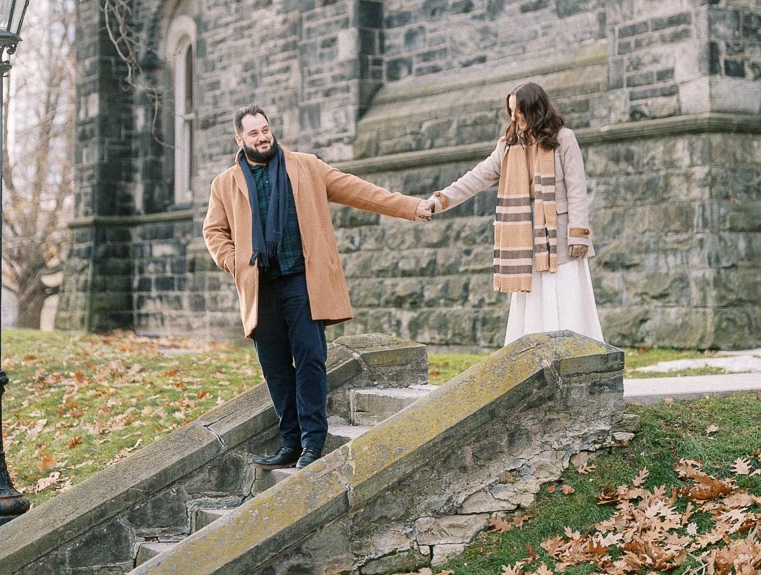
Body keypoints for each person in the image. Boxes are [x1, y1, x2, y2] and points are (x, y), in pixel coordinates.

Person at [203, 105, 433, 469]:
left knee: (311, 358)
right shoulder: (224, 184)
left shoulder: (306, 166)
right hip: (260, 288)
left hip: (302, 282)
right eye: (253, 133)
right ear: (239, 139)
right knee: (276, 369)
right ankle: (290, 443)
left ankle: (313, 443)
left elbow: (358, 191)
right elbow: (214, 231)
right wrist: (235, 262)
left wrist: (410, 206)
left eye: (265, 129)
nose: (262, 137)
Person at [425, 82, 603, 344]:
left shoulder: (564, 139)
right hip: (524, 235)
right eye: (511, 111)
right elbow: (477, 177)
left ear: (534, 108)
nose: (514, 117)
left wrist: (578, 234)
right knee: (532, 299)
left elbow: (577, 189)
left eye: (518, 111)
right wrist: (439, 200)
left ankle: (576, 352)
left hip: (561, 237)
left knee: (567, 296)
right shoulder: (507, 146)